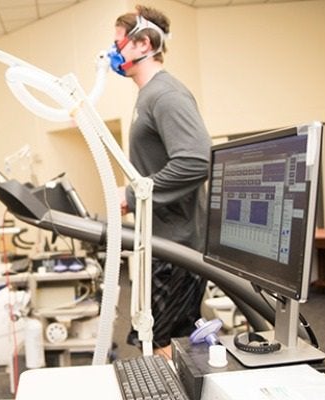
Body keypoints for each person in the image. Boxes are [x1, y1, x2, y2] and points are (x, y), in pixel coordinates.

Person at [109, 5, 211, 357]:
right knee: (155, 340)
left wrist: (138, 194)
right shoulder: (148, 95)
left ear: (143, 44)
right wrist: (135, 195)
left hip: (177, 246)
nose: (114, 50)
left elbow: (196, 161)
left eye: (118, 42)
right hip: (161, 240)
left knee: (167, 344)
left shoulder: (166, 94)